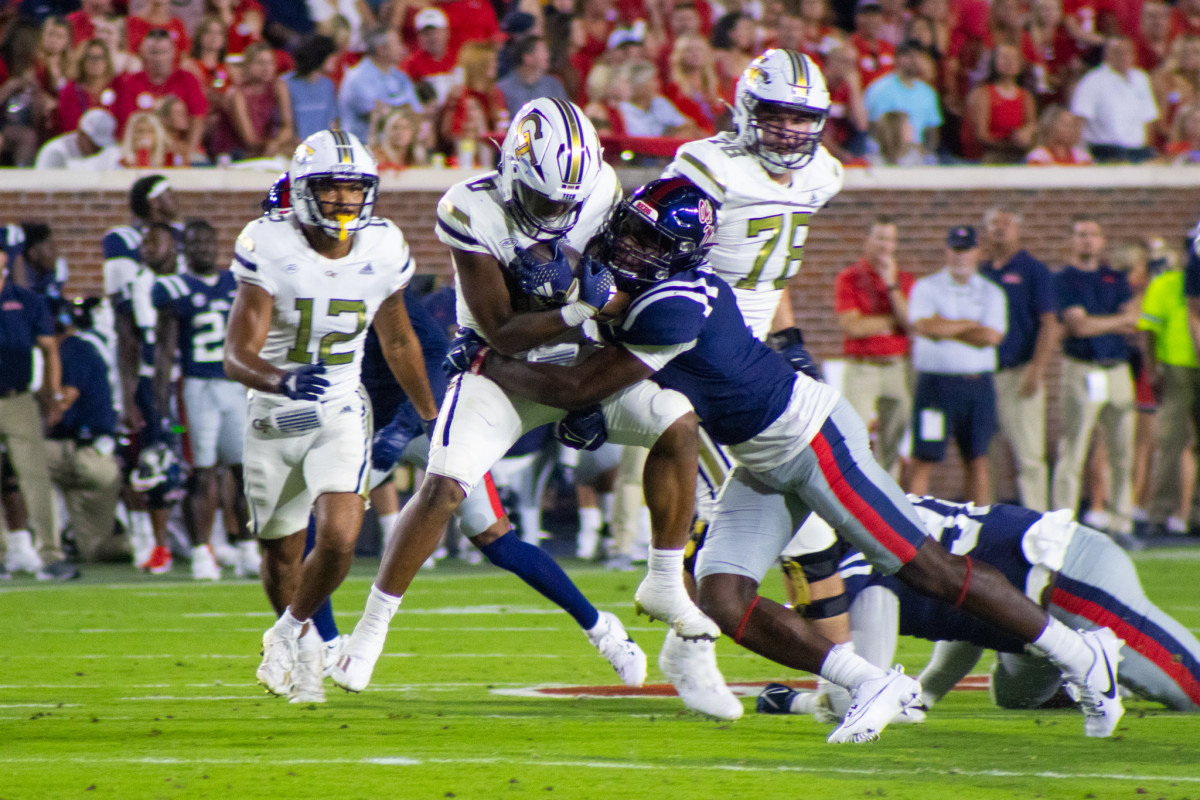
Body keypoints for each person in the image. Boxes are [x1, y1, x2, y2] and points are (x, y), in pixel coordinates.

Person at [474, 176, 1127, 742]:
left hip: (811, 439)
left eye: (649, 245)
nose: (627, 250)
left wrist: (490, 362)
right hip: (759, 459)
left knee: (927, 569)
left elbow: (582, 385)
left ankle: (1081, 653)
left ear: (677, 258)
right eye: (629, 234)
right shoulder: (635, 294)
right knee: (723, 597)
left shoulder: (676, 302)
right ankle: (869, 684)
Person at [329, 98, 739, 721]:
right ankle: (371, 630)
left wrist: (591, 325)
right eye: (546, 200)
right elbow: (500, 329)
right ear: (514, 170)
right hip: (500, 370)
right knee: (443, 487)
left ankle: (661, 576)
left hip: (581, 365)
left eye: (567, 203)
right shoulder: (470, 208)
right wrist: (578, 308)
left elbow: (619, 276)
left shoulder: (594, 188)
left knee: (677, 420)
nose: (559, 213)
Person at [224, 129, 439, 704]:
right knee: (281, 552)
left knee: (342, 537)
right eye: (332, 187)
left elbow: (398, 341)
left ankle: (290, 632)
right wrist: (280, 378)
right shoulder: (268, 243)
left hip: (342, 406)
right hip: (274, 412)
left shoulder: (384, 246)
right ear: (301, 190)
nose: (345, 200)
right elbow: (235, 353)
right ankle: (307, 644)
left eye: (354, 188)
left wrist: (428, 411)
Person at [761, 497, 1200, 716]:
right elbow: (965, 611)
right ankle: (1095, 674)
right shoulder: (874, 522)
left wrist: (789, 703)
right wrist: (928, 692)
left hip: (1067, 578)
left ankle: (1115, 668)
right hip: (1026, 613)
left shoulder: (862, 568)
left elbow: (851, 700)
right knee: (1015, 696)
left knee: (1192, 690)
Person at [152, 220, 254, 581]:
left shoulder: (236, 283)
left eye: (208, 243)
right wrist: (159, 401)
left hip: (233, 385)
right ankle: (201, 553)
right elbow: (164, 351)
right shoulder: (173, 288)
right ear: (185, 248)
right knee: (203, 472)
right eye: (195, 243)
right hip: (196, 387)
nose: (203, 250)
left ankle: (246, 549)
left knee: (244, 471)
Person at [1051, 217, 1141, 536]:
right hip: (1082, 368)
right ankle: (1063, 523)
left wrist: (1102, 322)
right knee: (1074, 448)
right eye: (1081, 235)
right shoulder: (1064, 280)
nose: (1087, 240)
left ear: (1102, 241)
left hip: (1116, 369)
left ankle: (1121, 521)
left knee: (1122, 451)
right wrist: (1116, 320)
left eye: (1092, 235)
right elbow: (1079, 326)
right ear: (1072, 241)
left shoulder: (1114, 278)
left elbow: (1134, 320)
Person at [907, 225, 1007, 506]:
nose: (960, 257)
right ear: (947, 251)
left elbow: (990, 336)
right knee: (924, 457)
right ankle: (914, 527)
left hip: (977, 385)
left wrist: (946, 325)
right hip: (935, 386)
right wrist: (970, 325)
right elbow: (925, 326)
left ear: (977, 252)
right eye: (955, 250)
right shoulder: (927, 287)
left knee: (977, 458)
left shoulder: (991, 292)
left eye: (966, 251)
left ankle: (978, 528)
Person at [0, 240, 70, 580]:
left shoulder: (27, 301)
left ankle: (50, 554)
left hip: (17, 398)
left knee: (34, 476)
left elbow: (49, 350)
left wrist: (51, 394)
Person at [980, 207, 1058, 512]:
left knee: (1028, 453)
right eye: (993, 224)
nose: (1000, 229)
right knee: (985, 452)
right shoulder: (982, 272)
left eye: (1006, 223)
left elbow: (1050, 323)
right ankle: (988, 521)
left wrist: (1037, 369)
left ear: (1018, 229)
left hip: (1019, 371)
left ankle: (1038, 519)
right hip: (985, 373)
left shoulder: (1032, 270)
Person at [44, 297, 125, 564]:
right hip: (100, 456)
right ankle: (138, 544)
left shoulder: (70, 350)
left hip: (80, 453)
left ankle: (23, 544)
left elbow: (62, 404)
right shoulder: (85, 346)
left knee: (15, 462)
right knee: (94, 549)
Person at [833, 217, 914, 476]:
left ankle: (888, 497)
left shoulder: (903, 280)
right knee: (853, 433)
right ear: (867, 240)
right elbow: (853, 326)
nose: (885, 245)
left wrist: (892, 286)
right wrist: (891, 321)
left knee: (893, 441)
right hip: (862, 367)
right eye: (880, 238)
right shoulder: (850, 278)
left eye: (890, 239)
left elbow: (911, 323)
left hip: (896, 366)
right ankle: (853, 491)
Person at [1138, 245, 1200, 537]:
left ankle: (1195, 513)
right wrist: (1152, 367)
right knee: (1171, 440)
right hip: (1176, 367)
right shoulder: (1165, 284)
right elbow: (1149, 329)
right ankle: (1160, 513)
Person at [113, 30, 208, 165]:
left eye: (163, 52)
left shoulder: (187, 79)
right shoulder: (131, 82)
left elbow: (197, 119)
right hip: (145, 152)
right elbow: (129, 123)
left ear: (173, 52)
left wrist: (189, 152)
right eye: (153, 53)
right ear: (143, 54)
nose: (158, 59)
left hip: (184, 151)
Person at [1070, 36, 1160, 163]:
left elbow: (1148, 118)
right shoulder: (1093, 80)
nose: (1123, 56)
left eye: (1127, 52)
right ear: (1107, 55)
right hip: (1106, 149)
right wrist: (1080, 153)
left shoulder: (1141, 79)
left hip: (1137, 148)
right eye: (1117, 52)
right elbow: (1080, 118)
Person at [337, 27, 422, 143]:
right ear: (381, 49)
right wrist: (404, 109)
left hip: (394, 152)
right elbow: (381, 117)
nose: (402, 48)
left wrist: (399, 110)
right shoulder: (357, 78)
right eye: (397, 44)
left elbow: (416, 113)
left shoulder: (401, 78)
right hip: (361, 151)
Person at [864, 39, 943, 154]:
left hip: (919, 155)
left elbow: (931, 131)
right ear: (897, 59)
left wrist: (926, 153)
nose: (914, 61)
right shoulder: (880, 89)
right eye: (909, 56)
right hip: (886, 153)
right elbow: (874, 128)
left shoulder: (928, 93)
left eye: (918, 56)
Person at [496, 36, 568, 121]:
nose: (548, 55)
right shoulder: (503, 89)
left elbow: (566, 116)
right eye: (543, 51)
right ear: (527, 58)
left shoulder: (553, 85)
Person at [34, 106, 120, 168]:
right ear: (81, 134)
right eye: (94, 145)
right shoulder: (56, 153)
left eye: (101, 147)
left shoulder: (103, 153)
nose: (97, 151)